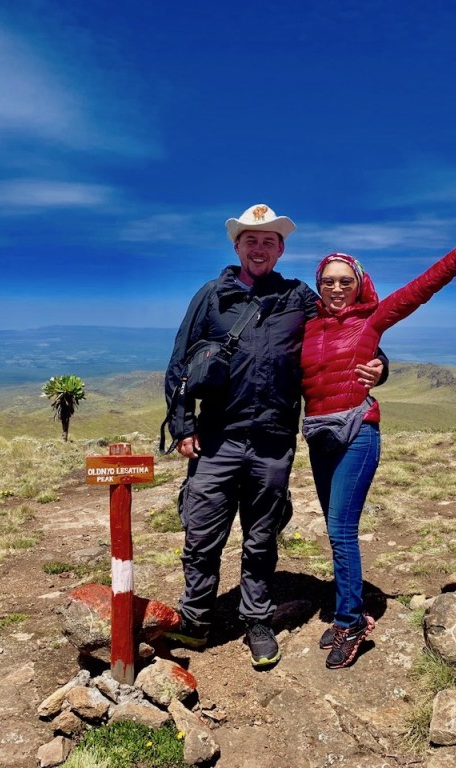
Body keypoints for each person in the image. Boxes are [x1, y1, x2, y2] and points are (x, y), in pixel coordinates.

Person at [163, 203, 387, 668]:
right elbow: (180, 363)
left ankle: (258, 619)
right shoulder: (212, 295)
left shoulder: (298, 297)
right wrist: (183, 427)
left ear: (281, 249)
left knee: (261, 536)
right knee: (202, 532)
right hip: (217, 437)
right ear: (237, 246)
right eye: (251, 240)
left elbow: (345, 331)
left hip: (272, 440)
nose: (259, 247)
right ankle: (196, 620)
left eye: (269, 241)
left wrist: (381, 366)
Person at [301, 215, 456, 669]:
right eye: (328, 282)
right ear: (319, 285)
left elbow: (418, 290)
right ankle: (344, 610)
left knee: (340, 530)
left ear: (358, 284)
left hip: (357, 432)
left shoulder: (371, 319)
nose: (336, 289)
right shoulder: (306, 327)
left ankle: (352, 622)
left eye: (345, 281)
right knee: (336, 534)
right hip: (317, 435)